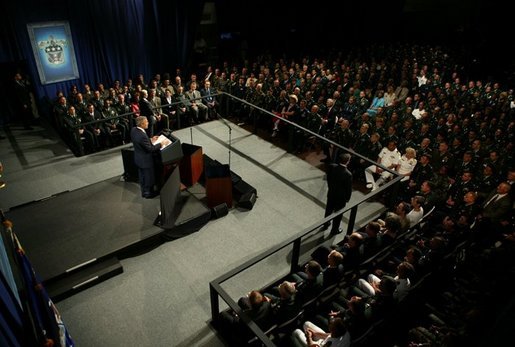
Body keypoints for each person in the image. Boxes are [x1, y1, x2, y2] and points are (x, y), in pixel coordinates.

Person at [130, 116, 168, 198]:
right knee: (148, 177)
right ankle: (148, 193)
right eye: (146, 122)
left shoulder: (134, 130)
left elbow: (141, 142)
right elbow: (150, 149)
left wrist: (150, 139)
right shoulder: (142, 135)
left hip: (138, 158)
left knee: (142, 176)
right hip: (145, 161)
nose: (148, 123)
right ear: (142, 124)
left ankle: (144, 191)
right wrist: (161, 144)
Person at [322, 153, 353, 235]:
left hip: (331, 193)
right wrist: (347, 198)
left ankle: (326, 223)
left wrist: (330, 187)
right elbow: (348, 188)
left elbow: (328, 178)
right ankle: (334, 230)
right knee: (338, 214)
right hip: (340, 198)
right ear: (348, 162)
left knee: (328, 209)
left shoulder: (332, 167)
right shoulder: (348, 174)